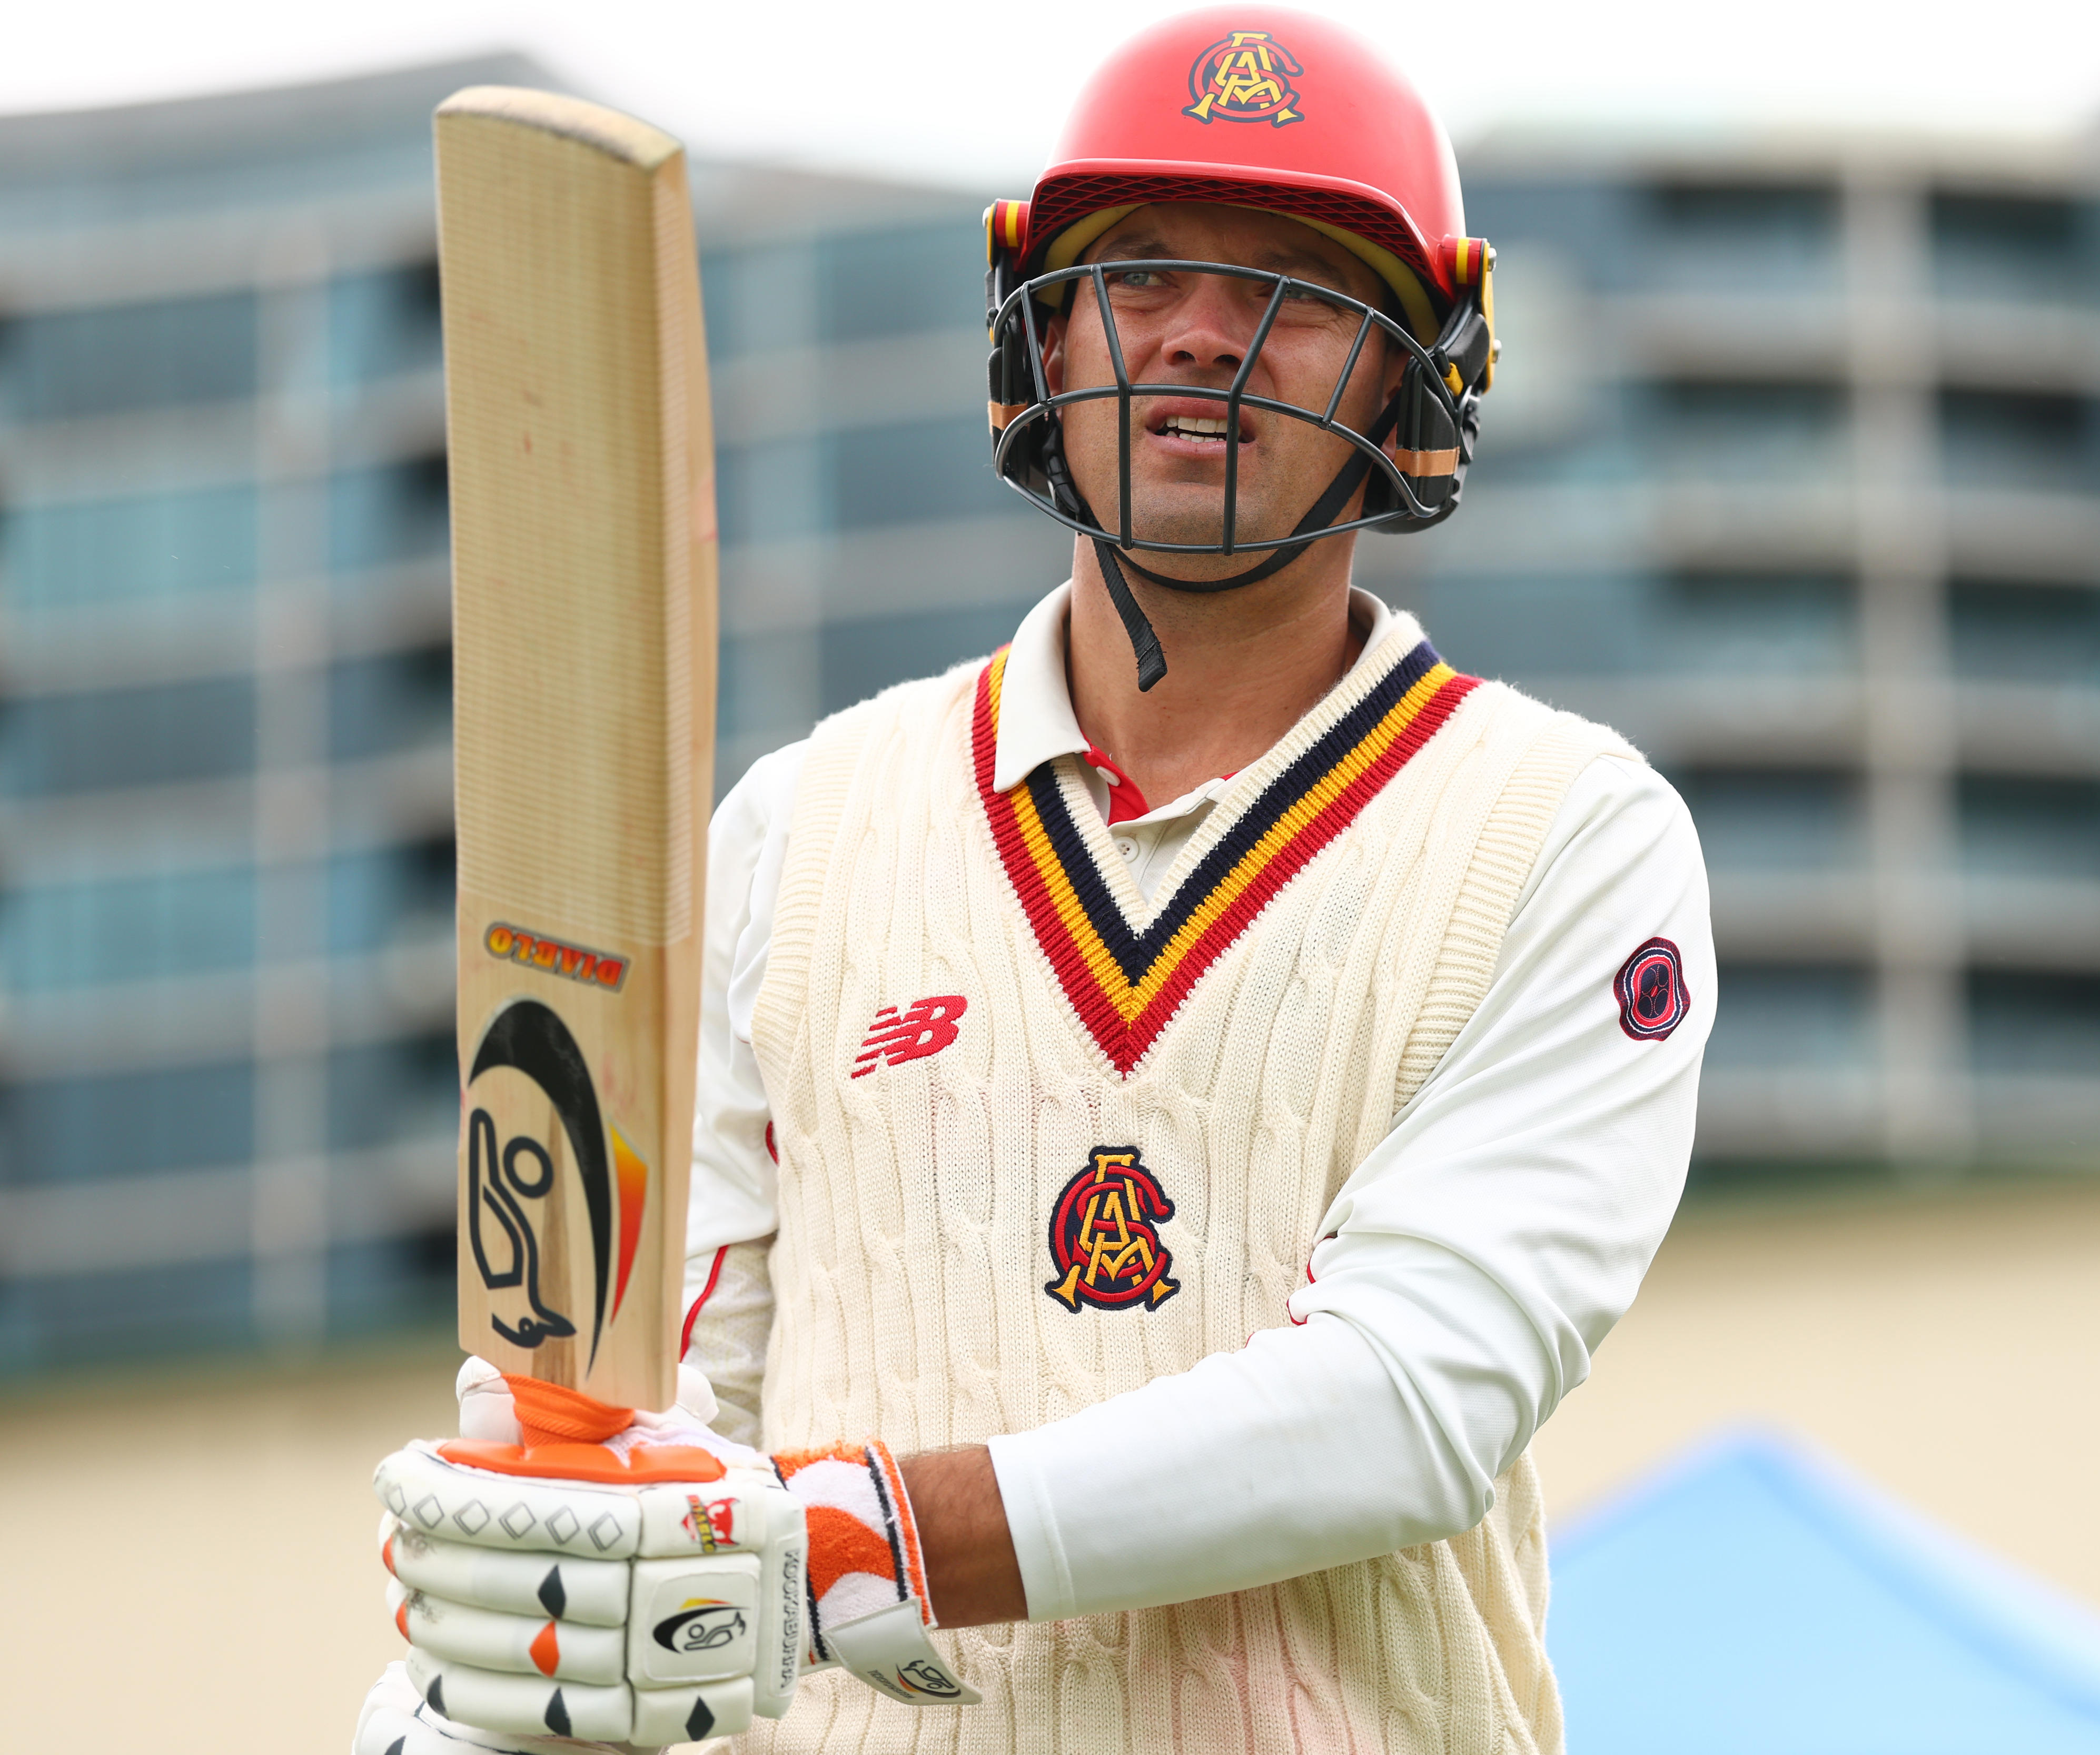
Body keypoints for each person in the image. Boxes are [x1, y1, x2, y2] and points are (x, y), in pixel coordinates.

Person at [359, 9, 1710, 1752]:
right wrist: (501, 1661)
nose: (1206, 334)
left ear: (1411, 372)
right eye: (1139, 274)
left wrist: (863, 1544)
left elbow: (1404, 1403)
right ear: (1041, 330)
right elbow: (664, 1410)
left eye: (1297, 287)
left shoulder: (1563, 837)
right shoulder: (802, 829)